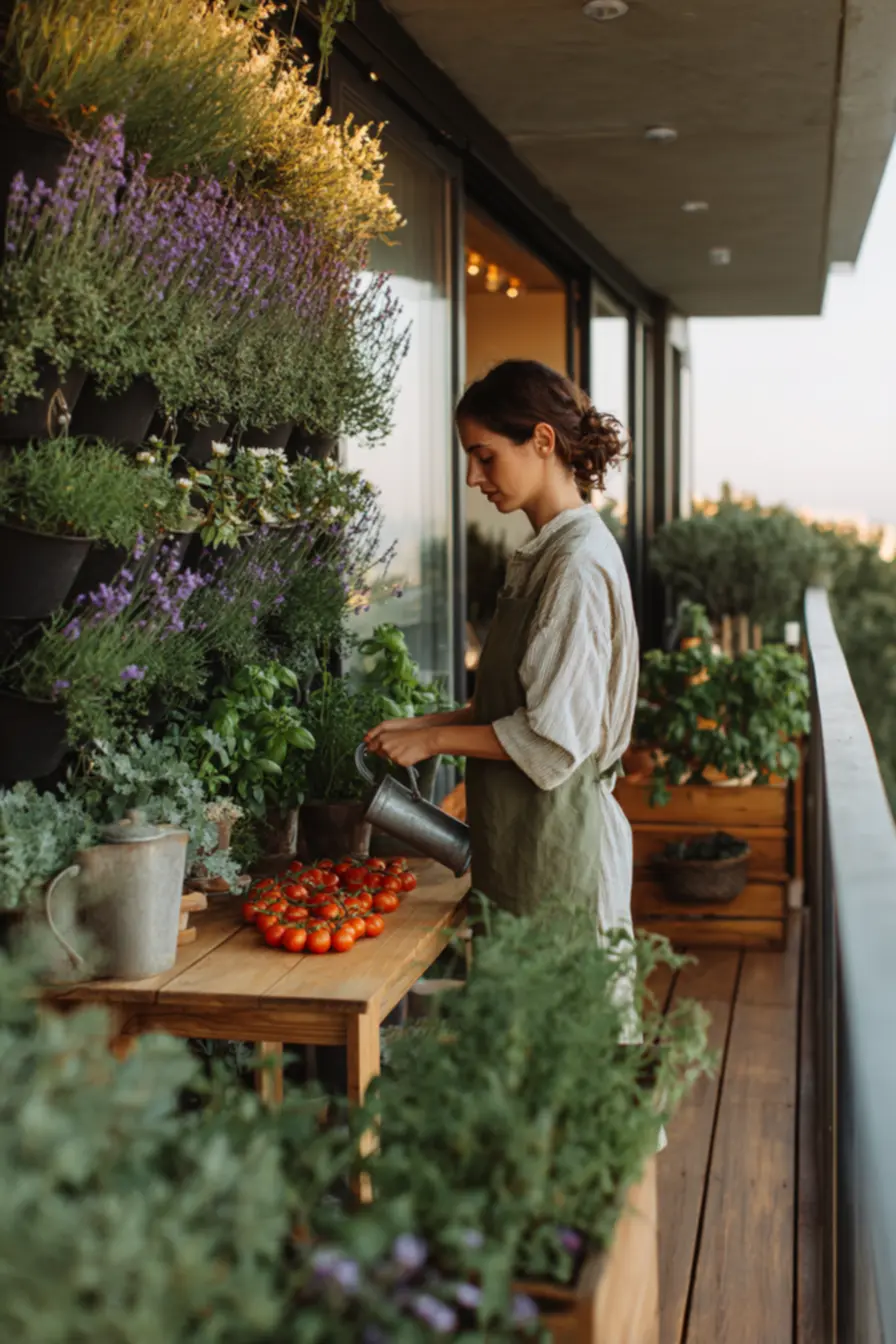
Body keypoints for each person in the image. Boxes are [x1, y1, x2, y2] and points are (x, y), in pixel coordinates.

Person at [365, 359, 639, 938]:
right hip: (522, 844)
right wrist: (420, 725)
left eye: (484, 455)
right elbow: (515, 710)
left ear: (542, 440)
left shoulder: (576, 567)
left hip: (560, 852)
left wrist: (435, 738)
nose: (472, 476)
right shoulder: (547, 553)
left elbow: (550, 739)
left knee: (553, 1022)